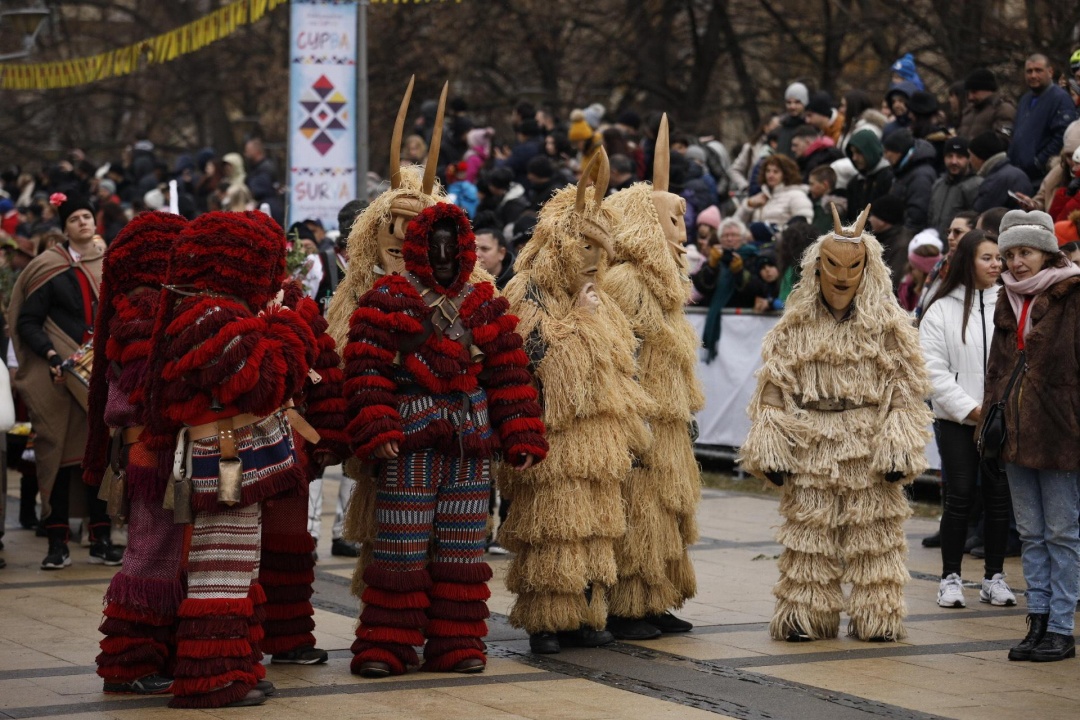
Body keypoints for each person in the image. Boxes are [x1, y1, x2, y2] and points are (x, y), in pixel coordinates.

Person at [342, 202, 546, 676]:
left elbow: (509, 373)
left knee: (463, 550)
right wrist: (378, 424)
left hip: (470, 439)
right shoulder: (387, 297)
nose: (443, 256)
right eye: (434, 247)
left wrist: (520, 432)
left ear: (466, 249)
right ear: (417, 249)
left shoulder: (484, 302)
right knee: (400, 547)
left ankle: (457, 645)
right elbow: (366, 368)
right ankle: (387, 646)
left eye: (451, 247)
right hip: (410, 438)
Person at [143, 211, 318, 708]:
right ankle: (212, 677)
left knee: (240, 566)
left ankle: (236, 664)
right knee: (218, 569)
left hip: (239, 453)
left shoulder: (217, 309)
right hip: (222, 457)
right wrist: (289, 324)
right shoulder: (206, 314)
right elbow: (265, 381)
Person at [740, 206, 933, 643]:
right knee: (810, 533)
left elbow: (903, 387)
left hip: (866, 441)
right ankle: (805, 616)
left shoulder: (887, 326)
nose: (843, 276)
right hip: (812, 440)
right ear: (816, 267)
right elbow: (773, 386)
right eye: (832, 265)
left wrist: (898, 446)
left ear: (869, 269)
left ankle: (876, 615)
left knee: (875, 534)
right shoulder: (796, 325)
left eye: (853, 266)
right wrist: (771, 445)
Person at [500, 152, 651, 654]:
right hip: (553, 432)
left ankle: (587, 612)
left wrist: (632, 426)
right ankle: (548, 619)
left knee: (594, 530)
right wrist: (582, 322)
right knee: (551, 528)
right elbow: (533, 356)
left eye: (600, 249)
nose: (593, 259)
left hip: (599, 436)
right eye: (585, 246)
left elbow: (620, 365)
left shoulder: (601, 295)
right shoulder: (528, 290)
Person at [605, 120, 704, 639]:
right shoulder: (625, 281)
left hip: (668, 420)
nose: (682, 235)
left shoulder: (668, 286)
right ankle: (627, 603)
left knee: (666, 513)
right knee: (637, 511)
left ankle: (657, 598)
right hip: (640, 418)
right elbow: (623, 354)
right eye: (672, 222)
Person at [85, 212, 187, 696]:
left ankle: (154, 655)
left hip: (156, 448)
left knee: (166, 553)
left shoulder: (145, 306)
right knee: (150, 553)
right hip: (149, 450)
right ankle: (130, 665)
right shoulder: (143, 311)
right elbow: (139, 391)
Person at [979, 209, 1080, 662]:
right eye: (1010, 254)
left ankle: (1061, 627)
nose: (1017, 262)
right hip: (1015, 434)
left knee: (1062, 532)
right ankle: (1036, 619)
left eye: (1026, 252)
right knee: (1033, 534)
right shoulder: (1006, 298)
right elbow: (997, 370)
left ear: (1046, 252)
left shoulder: (1072, 294)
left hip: (1061, 434)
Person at [7, 193, 123, 571]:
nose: (83, 223)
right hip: (60, 378)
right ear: (65, 226)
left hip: (99, 377)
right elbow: (27, 321)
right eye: (74, 218)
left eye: (87, 216)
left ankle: (101, 539)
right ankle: (57, 542)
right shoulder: (49, 267)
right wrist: (53, 355)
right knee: (57, 458)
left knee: (100, 457)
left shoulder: (111, 264)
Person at [917, 229, 1015, 610]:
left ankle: (994, 577)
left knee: (998, 499)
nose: (996, 265)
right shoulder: (941, 309)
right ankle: (950, 578)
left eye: (998, 258)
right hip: (957, 420)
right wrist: (971, 411)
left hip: (1002, 421)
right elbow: (932, 371)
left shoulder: (1008, 302)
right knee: (959, 497)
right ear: (967, 261)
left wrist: (998, 412)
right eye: (987, 258)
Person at [1008, 54, 1078, 182]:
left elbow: (1063, 136)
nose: (1033, 75)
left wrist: (1039, 162)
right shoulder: (1025, 99)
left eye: (1038, 70)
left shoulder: (1060, 99)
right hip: (1019, 174)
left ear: (1050, 72)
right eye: (1029, 71)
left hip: (1040, 178)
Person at [736, 155, 813, 231]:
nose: (770, 175)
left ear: (786, 174)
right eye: (768, 171)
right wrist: (749, 204)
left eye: (776, 172)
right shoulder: (761, 195)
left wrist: (774, 233)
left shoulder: (797, 195)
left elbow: (804, 226)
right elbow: (735, 224)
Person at [883, 129, 937, 232]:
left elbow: (917, 216)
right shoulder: (903, 170)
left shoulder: (921, 176)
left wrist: (902, 238)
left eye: (887, 152)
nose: (885, 157)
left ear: (899, 152)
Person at [928, 137, 982, 239]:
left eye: (959, 157)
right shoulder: (938, 184)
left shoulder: (976, 185)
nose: (954, 161)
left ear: (968, 159)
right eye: (950, 156)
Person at [971, 131, 1033, 212]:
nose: (970, 160)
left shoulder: (995, 180)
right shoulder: (1013, 173)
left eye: (971, 155)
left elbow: (981, 212)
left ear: (979, 157)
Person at [845, 129, 894, 221]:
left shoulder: (888, 178)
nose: (854, 158)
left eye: (859, 153)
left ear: (871, 151)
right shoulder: (855, 183)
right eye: (852, 153)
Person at [867, 194, 912, 293]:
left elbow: (892, 280)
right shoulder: (882, 236)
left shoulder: (901, 245)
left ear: (883, 220)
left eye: (873, 215)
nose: (869, 219)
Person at [958, 69, 1016, 144]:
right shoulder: (969, 111)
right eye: (968, 93)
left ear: (988, 90)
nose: (970, 97)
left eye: (974, 92)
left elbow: (1004, 139)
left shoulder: (1003, 109)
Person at [776, 83, 809, 158]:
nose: (792, 106)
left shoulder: (810, 127)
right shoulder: (782, 127)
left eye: (797, 102)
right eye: (789, 102)